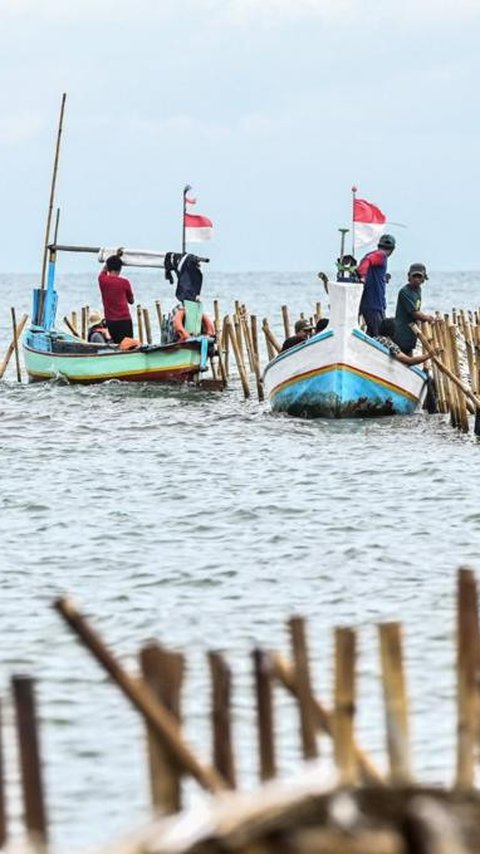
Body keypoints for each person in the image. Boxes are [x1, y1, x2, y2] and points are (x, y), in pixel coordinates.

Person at [357, 233, 396, 338]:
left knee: (371, 336)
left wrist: (383, 278)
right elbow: (366, 262)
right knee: (380, 336)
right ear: (392, 250)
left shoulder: (373, 255)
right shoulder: (381, 255)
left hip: (370, 303)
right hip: (373, 305)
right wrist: (363, 277)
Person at [394, 263, 436, 355]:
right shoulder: (405, 291)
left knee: (409, 352)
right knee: (403, 354)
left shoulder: (418, 290)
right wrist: (427, 318)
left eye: (419, 277)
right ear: (409, 277)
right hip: (402, 331)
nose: (416, 279)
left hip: (411, 332)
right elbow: (414, 312)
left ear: (424, 279)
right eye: (414, 276)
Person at [98, 254, 135, 344]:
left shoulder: (102, 280)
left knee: (116, 345)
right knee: (128, 346)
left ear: (108, 267)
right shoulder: (124, 282)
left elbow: (103, 270)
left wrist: (110, 260)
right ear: (120, 269)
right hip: (124, 320)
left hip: (111, 321)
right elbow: (131, 301)